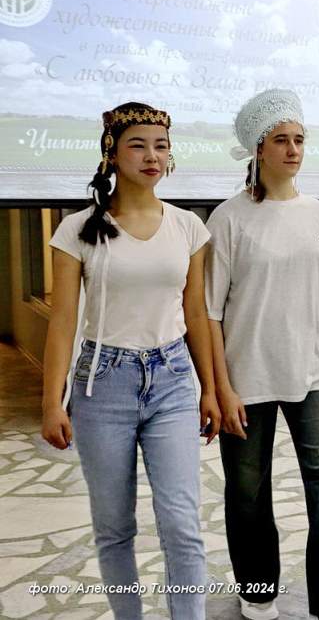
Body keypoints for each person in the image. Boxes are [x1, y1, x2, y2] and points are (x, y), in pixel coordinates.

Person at [41, 103, 217, 618]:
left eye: (160, 146)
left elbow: (196, 313)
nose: (151, 156)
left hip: (172, 380)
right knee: (114, 527)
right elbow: (62, 321)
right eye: (138, 145)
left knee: (182, 523)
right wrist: (51, 402)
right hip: (102, 384)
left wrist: (210, 387)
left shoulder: (188, 227)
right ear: (112, 154)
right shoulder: (77, 229)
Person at [206, 89, 319, 620]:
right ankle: (257, 591)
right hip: (246, 375)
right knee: (247, 489)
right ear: (258, 148)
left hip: (314, 371)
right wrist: (220, 386)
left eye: (299, 139)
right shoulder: (228, 219)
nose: (293, 149)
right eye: (281, 140)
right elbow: (209, 313)